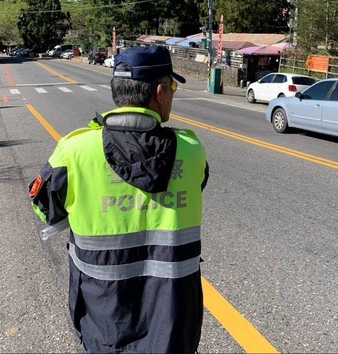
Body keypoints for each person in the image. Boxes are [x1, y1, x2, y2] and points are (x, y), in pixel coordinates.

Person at [29, 45, 209, 353]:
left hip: (103, 319)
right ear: (158, 91)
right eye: (173, 87)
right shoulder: (191, 151)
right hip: (174, 321)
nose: (173, 95)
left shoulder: (74, 152)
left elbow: (45, 208)